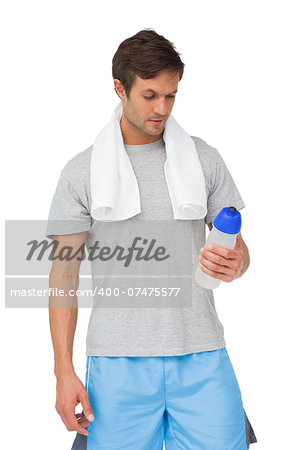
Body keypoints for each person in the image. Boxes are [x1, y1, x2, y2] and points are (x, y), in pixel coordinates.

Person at [47, 28, 257, 449]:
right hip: (117, 360)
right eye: (149, 95)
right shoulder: (81, 172)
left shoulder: (203, 159)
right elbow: (63, 275)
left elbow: (237, 247)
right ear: (119, 88)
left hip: (200, 351)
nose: (162, 108)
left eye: (171, 95)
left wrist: (238, 262)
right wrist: (63, 370)